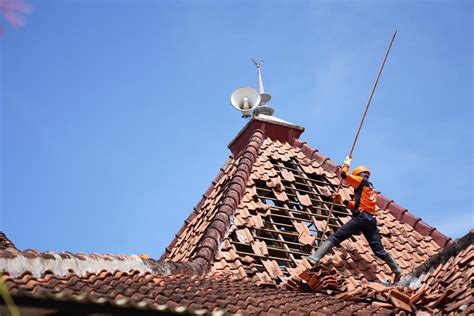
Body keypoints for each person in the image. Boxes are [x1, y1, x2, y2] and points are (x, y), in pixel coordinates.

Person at [306, 156, 402, 282]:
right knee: (378, 250)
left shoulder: (360, 181)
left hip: (361, 218)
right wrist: (341, 200)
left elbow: (344, 174)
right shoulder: (371, 189)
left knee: (336, 237)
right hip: (371, 220)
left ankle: (315, 257)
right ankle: (396, 269)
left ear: (359, 175)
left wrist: (346, 163)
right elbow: (355, 205)